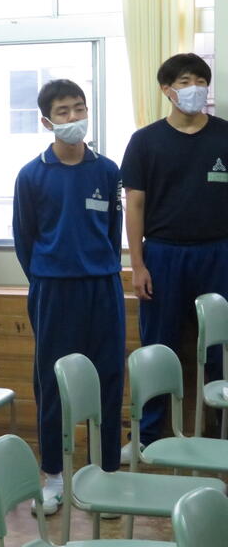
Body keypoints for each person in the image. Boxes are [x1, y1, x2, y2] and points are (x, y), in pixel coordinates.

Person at [13, 80, 124, 515]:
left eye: (79, 108)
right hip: (53, 289)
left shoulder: (108, 171)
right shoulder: (31, 175)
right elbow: (25, 239)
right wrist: (49, 274)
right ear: (47, 121)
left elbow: (113, 232)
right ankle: (54, 477)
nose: (74, 117)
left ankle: (105, 473)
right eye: (63, 111)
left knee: (108, 379)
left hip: (103, 286)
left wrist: (98, 267)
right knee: (52, 382)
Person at [121, 53, 228, 455]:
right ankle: (146, 437)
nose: (194, 88)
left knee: (220, 349)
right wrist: (138, 264)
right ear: (167, 90)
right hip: (163, 255)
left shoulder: (224, 135)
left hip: (218, 253)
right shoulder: (145, 141)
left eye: (200, 80)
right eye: (185, 81)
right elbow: (134, 205)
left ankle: (222, 436)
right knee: (157, 348)